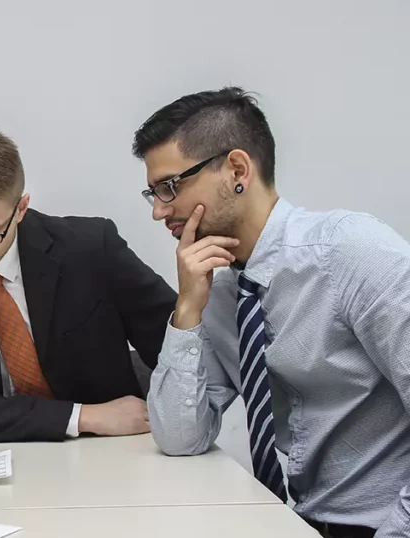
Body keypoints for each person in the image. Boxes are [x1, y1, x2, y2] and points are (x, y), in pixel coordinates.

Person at [135, 87, 410, 538]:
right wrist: (186, 308)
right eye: (154, 193)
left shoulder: (350, 252)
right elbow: (179, 438)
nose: (160, 211)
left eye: (170, 186)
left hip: (383, 523)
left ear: (237, 170)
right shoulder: (224, 295)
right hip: (298, 522)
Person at [0, 125, 177, 443]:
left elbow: (177, 351)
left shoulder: (91, 248)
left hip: (109, 451)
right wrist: (84, 416)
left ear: (21, 209)